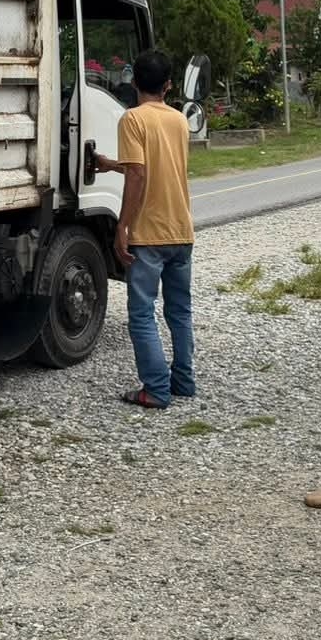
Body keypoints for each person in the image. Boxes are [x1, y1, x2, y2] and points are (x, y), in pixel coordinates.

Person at [95, 50, 194, 409]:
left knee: (141, 313)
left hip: (149, 235)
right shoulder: (179, 120)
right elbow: (152, 168)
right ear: (168, 85)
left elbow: (139, 174)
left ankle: (155, 389)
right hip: (181, 230)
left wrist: (122, 226)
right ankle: (183, 381)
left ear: (133, 82)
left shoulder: (132, 119)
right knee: (180, 311)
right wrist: (111, 165)